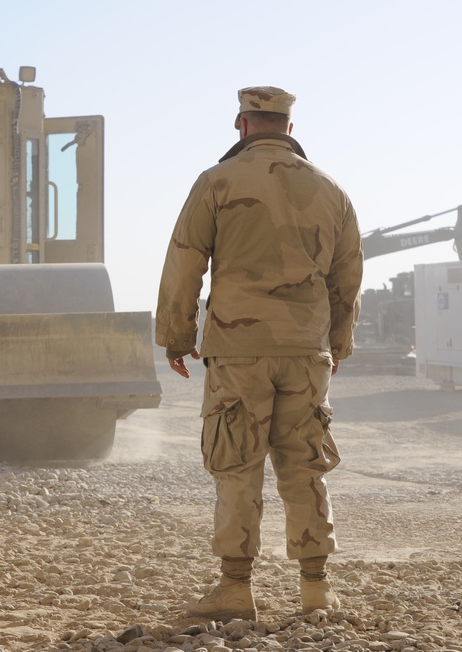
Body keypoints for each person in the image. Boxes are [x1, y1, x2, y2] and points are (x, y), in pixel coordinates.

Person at [156, 86, 363, 621]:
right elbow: (348, 277)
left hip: (238, 349)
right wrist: (336, 343)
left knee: (237, 465)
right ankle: (316, 589)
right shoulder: (331, 189)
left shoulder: (217, 181)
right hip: (305, 349)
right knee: (304, 466)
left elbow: (184, 262)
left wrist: (177, 337)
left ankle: (234, 590)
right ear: (289, 129)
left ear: (242, 125)